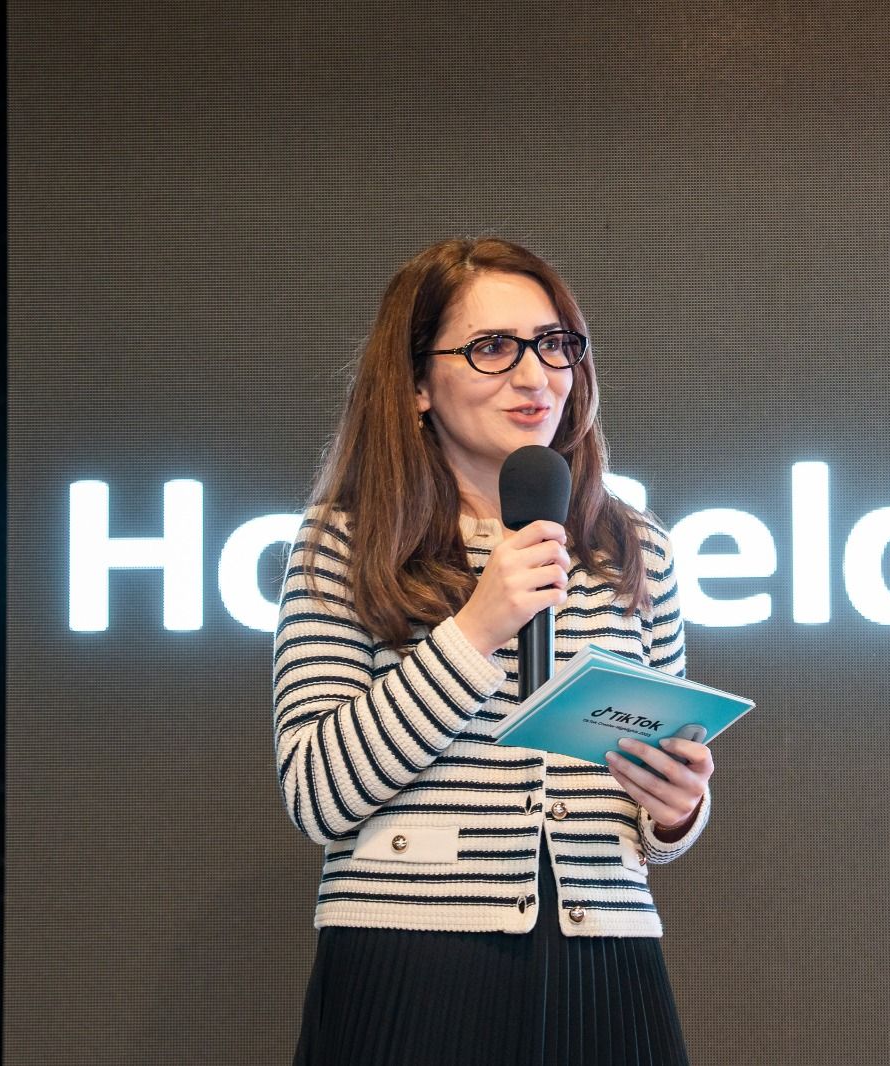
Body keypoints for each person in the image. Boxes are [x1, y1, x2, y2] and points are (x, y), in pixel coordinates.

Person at [272, 236, 716, 1065]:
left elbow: (653, 812)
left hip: (607, 955)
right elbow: (318, 793)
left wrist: (676, 808)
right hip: (413, 961)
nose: (535, 376)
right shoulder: (346, 544)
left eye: (554, 345)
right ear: (415, 385)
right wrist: (476, 629)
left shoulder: (636, 548)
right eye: (491, 348)